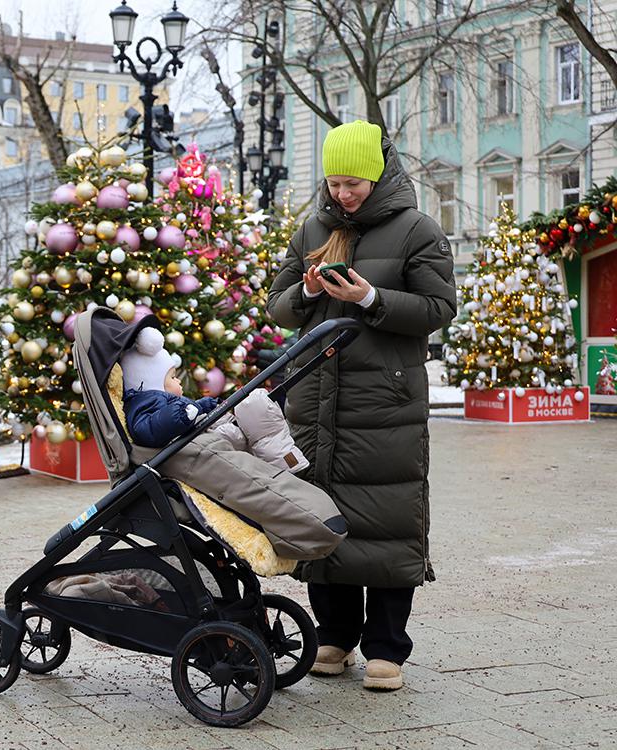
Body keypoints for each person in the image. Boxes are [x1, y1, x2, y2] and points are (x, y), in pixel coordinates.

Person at [267, 120, 457, 691]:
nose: (341, 194)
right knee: (322, 519)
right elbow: (277, 305)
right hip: (314, 400)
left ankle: (386, 649)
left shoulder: (416, 230)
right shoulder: (313, 229)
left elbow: (438, 307)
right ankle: (334, 637)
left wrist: (368, 298)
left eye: (352, 182)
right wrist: (308, 292)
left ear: (376, 175)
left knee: (389, 519)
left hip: (385, 402)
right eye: (333, 182)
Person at [119, 326, 345, 561]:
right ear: (152, 381)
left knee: (253, 407)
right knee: (253, 409)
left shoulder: (161, 401)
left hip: (202, 439)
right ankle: (284, 462)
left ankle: (283, 460)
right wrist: (187, 411)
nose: (180, 383)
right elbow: (148, 430)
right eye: (174, 378)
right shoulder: (146, 401)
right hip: (194, 449)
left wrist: (204, 406)